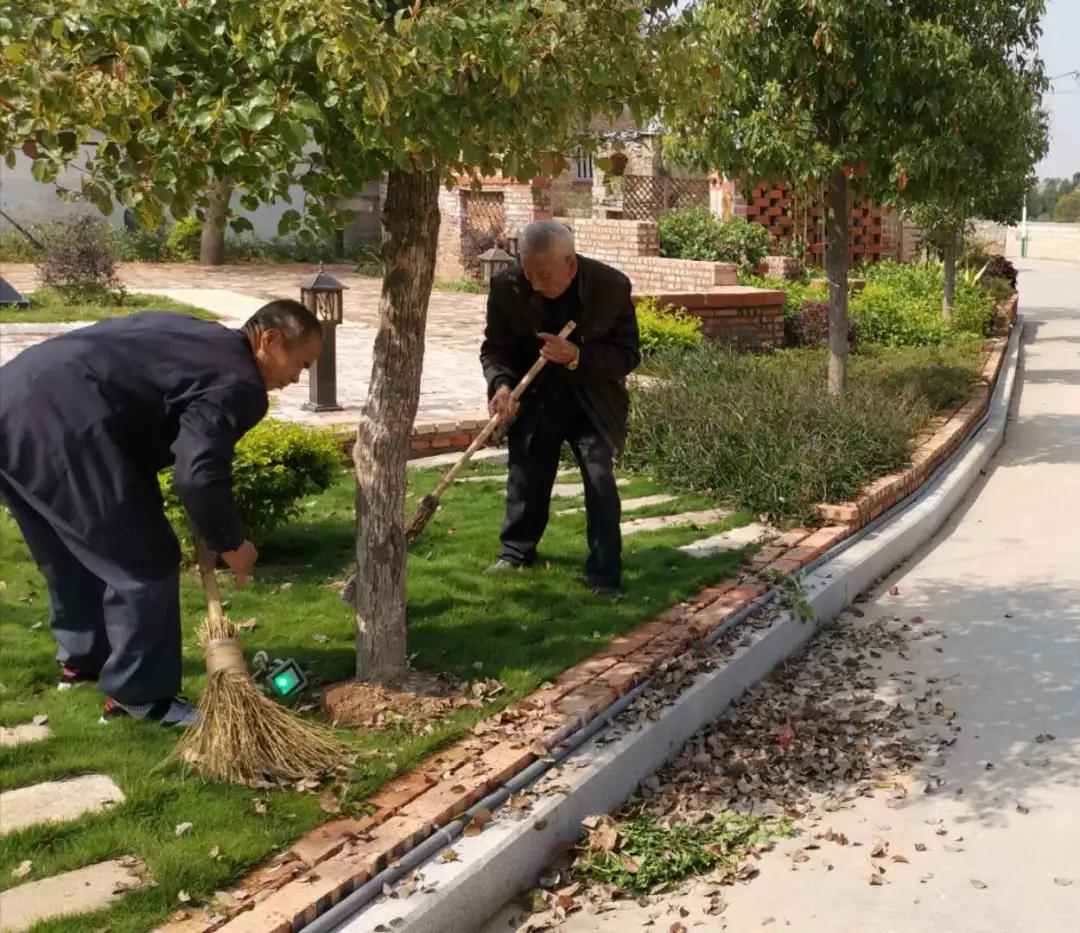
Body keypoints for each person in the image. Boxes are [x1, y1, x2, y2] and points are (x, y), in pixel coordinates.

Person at [0, 300, 322, 725]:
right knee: (144, 561)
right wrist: (231, 542)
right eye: (300, 364)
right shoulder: (240, 382)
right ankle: (140, 697)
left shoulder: (199, 335)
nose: (297, 378)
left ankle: (85, 663)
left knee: (69, 551)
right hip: (70, 430)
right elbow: (199, 473)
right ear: (270, 340)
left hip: (11, 400)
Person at [480, 220, 640, 597]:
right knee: (527, 472)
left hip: (592, 397)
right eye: (528, 272)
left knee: (599, 476)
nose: (535, 283)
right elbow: (496, 347)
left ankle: (604, 573)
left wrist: (577, 356)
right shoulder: (508, 287)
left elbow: (628, 355)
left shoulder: (610, 287)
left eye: (544, 275)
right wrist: (501, 385)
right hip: (535, 395)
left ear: (570, 263)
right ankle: (516, 551)